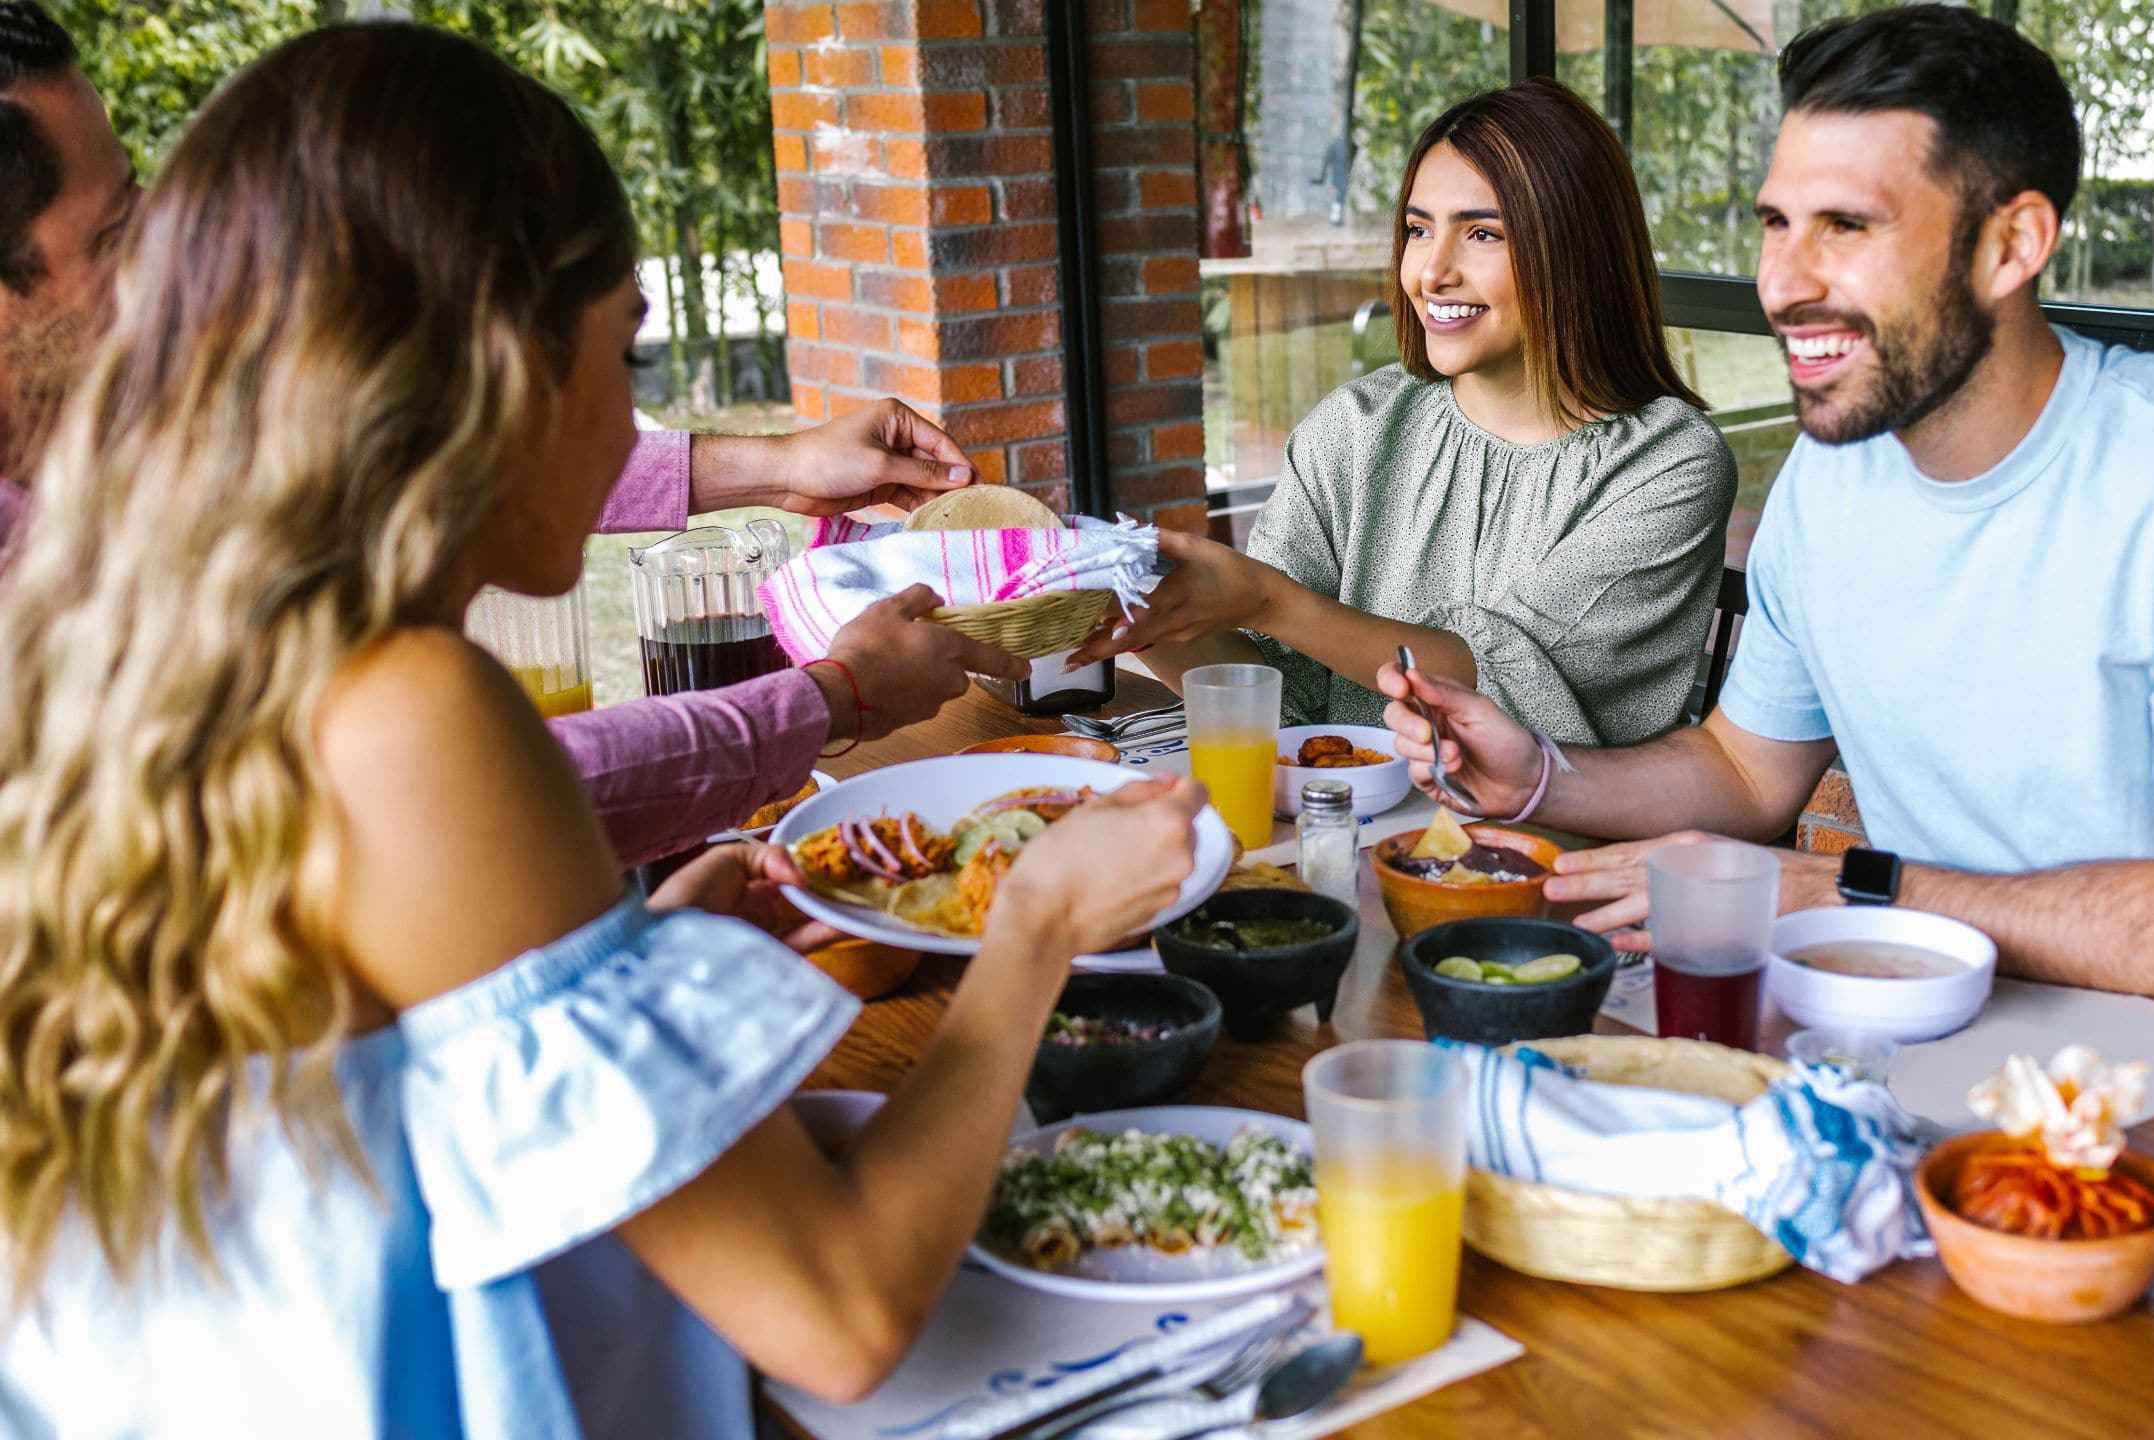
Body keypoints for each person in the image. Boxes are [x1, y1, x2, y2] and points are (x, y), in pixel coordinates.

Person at [0, 23, 1210, 1437]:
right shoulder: (402, 707)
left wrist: (637, 969)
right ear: (498, 367)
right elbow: (838, 1311)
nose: (632, 421)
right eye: (624, 347)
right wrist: (1035, 929)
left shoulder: (161, 642)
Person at [1380, 6, 2154, 1089]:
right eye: (1774, 224)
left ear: (2010, 244)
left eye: (1846, 226)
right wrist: (1538, 775)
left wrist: (1852, 892)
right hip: (1956, 1051)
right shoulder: (1832, 480)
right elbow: (1745, 773)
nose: (1785, 282)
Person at [0, 0, 1024, 868]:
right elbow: (461, 808)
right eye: (115, 235)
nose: (159, 281)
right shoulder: (416, 706)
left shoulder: (118, 463)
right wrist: (831, 702)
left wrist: (777, 469)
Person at [1073, 79, 1734, 747]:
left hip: (1562, 840)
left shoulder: (1666, 464)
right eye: (1419, 229)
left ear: (1576, 251)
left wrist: (1266, 598)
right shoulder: (1355, 430)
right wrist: (1131, 612)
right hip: (1361, 822)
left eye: (1482, 233)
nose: (1430, 272)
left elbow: (1514, 694)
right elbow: (1282, 695)